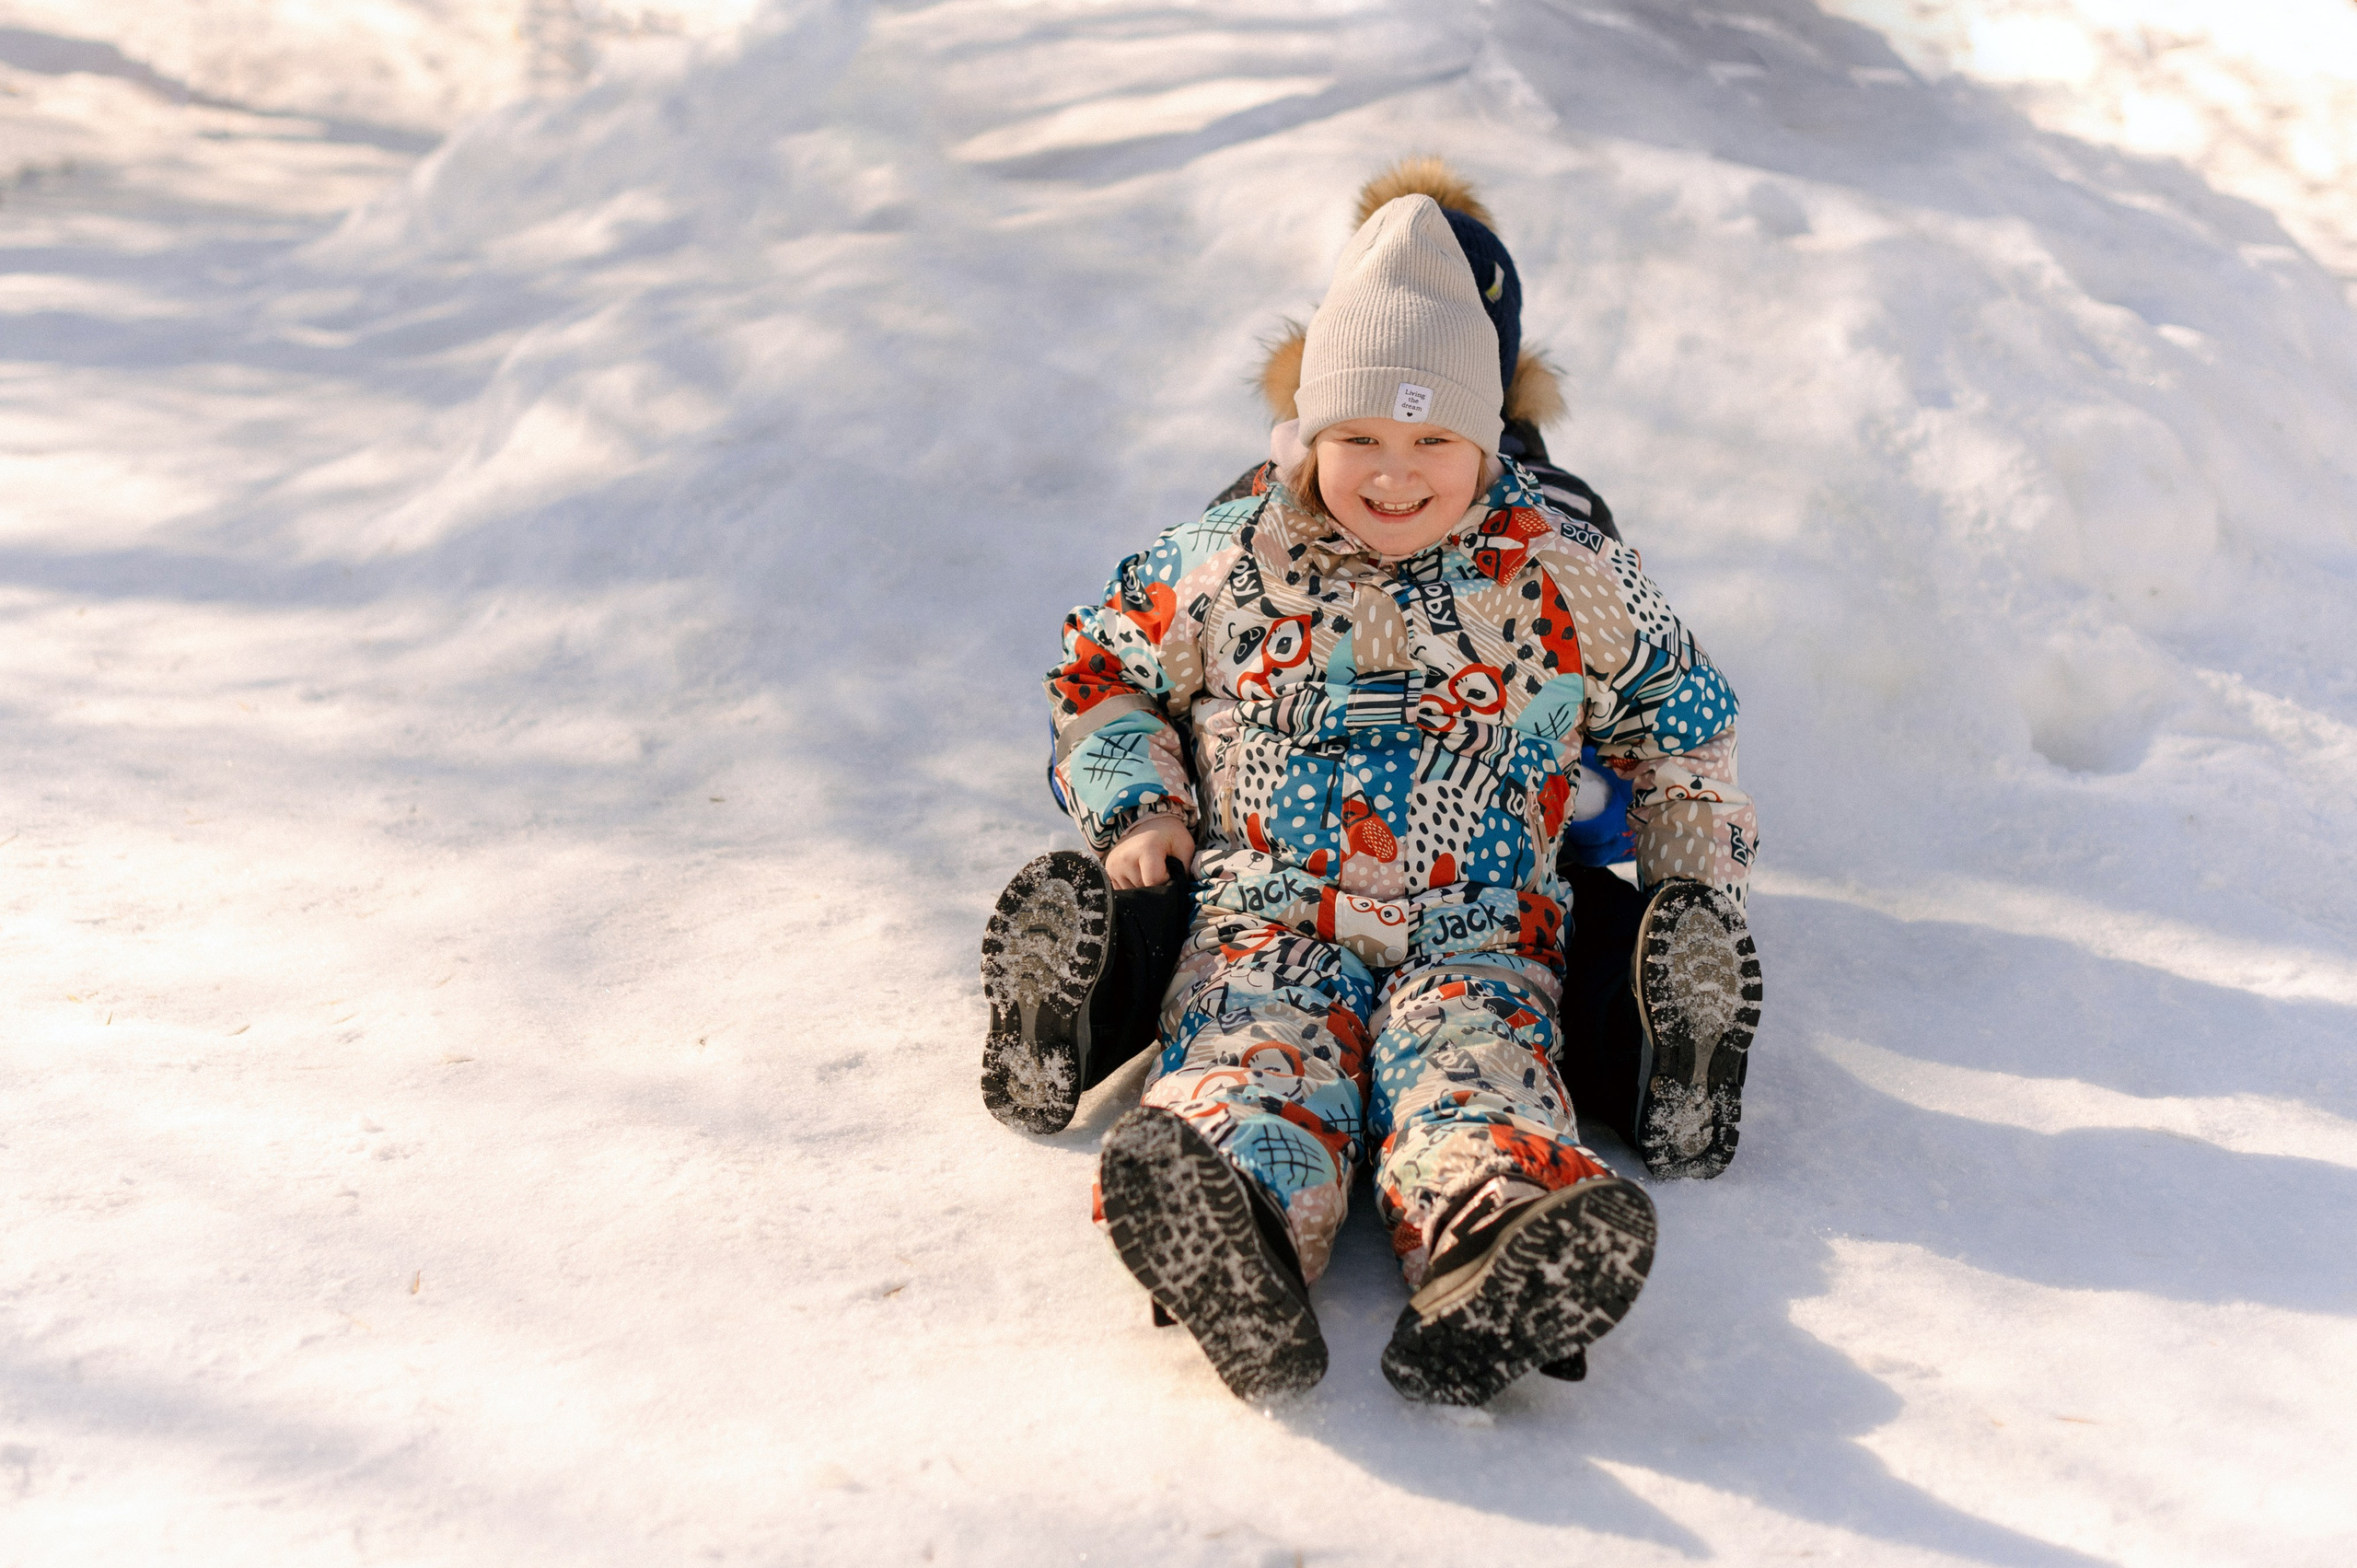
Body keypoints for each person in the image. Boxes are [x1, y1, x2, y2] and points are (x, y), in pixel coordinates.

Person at [981, 169, 1761, 1405]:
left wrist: (1687, 872)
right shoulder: (1225, 560)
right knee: (1250, 1060)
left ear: (1487, 439)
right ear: (1308, 430)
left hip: (1485, 933)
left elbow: (1684, 713)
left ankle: (1503, 1252)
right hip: (1265, 923)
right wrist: (1142, 806)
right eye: (1359, 439)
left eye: (1431, 442)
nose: (1393, 475)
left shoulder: (1567, 574)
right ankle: (1227, 1220)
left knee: (1476, 1076)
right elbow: (1100, 671)